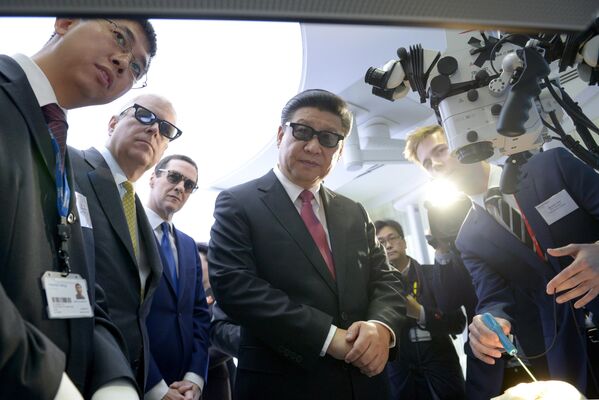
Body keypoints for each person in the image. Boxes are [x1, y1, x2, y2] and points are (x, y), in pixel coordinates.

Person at [208, 89, 406, 400]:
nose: (313, 146)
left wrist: (381, 327)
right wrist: (328, 338)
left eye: (328, 138)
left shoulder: (354, 212)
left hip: (365, 384)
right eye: (302, 131)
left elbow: (386, 280)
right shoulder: (237, 203)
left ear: (339, 151)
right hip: (282, 385)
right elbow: (235, 287)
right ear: (280, 134)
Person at [0, 17, 156, 399]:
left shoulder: (62, 155)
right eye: (119, 37)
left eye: (136, 67)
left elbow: (76, 284)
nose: (124, 63)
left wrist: (113, 379)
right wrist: (48, 380)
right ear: (66, 21)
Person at [405, 125, 598, 395]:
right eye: (427, 163)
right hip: (567, 346)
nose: (436, 163)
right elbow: (494, 296)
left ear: (466, 142)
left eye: (440, 150)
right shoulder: (468, 239)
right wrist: (487, 321)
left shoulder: (551, 166)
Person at [70, 93, 181, 392]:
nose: (154, 129)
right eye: (145, 115)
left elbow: (134, 312)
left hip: (130, 379)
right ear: (112, 123)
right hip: (72, 371)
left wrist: (154, 388)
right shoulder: (67, 164)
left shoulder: (137, 211)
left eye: (166, 129)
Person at [143, 155, 211, 400]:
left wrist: (195, 378)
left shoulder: (188, 244)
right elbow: (121, 315)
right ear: (153, 178)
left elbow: (199, 315)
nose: (181, 187)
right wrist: (155, 388)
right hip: (139, 381)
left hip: (184, 386)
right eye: (174, 177)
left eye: (189, 185)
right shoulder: (127, 229)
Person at [375, 219, 466, 400]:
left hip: (441, 367)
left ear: (404, 241)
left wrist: (421, 313)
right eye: (381, 242)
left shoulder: (434, 274)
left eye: (392, 238)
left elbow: (458, 323)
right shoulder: (376, 288)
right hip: (400, 375)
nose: (388, 245)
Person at [197, 242, 239, 400]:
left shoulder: (222, 296)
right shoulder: (191, 299)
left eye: (198, 260)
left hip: (216, 377)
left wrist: (195, 363)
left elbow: (226, 340)